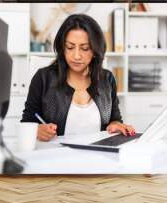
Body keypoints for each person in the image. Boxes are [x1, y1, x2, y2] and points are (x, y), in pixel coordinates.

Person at [21, 14, 136, 142]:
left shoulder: (107, 79)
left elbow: (115, 118)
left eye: (85, 48)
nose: (76, 56)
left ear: (95, 50)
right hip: (56, 156)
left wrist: (115, 124)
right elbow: (27, 122)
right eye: (70, 47)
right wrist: (37, 130)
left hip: (98, 156)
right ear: (62, 48)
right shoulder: (43, 78)